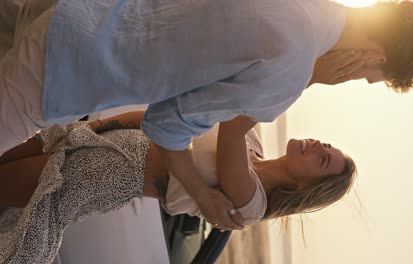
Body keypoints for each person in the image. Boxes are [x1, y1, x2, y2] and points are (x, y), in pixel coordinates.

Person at [0, 0, 413, 228]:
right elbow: (167, 125)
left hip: (77, 16)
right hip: (66, 70)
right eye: (370, 74)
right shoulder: (290, 71)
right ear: (375, 53)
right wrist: (204, 196)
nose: (357, 77)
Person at [0, 111, 356, 263]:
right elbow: (170, 117)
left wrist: (303, 76)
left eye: (322, 160)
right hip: (98, 139)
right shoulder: (254, 140)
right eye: (325, 145)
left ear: (303, 185)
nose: (317, 146)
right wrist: (100, 125)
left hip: (106, 174)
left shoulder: (251, 203)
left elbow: (230, 127)